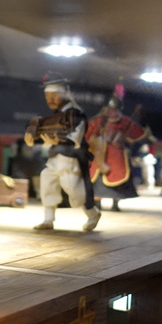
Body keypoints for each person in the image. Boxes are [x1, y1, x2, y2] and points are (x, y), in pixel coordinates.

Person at [24, 72, 101, 232]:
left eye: (54, 95)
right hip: (55, 157)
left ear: (64, 94)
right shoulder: (56, 116)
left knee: (74, 189)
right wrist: (34, 139)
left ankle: (93, 213)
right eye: (47, 97)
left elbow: (74, 139)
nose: (50, 100)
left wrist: (52, 139)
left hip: (70, 158)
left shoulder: (76, 115)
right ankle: (48, 219)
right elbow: (47, 136)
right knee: (47, 181)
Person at [85, 84, 150, 211]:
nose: (112, 112)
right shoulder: (99, 121)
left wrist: (127, 139)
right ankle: (99, 203)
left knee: (116, 176)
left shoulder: (124, 121)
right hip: (100, 154)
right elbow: (88, 135)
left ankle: (113, 203)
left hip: (115, 155)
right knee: (98, 178)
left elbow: (138, 134)